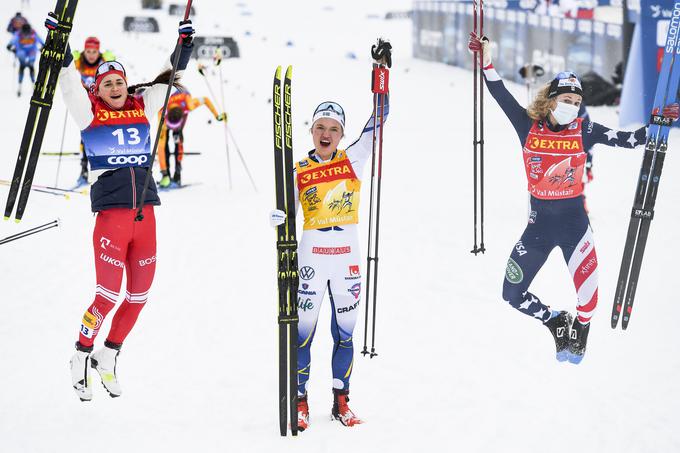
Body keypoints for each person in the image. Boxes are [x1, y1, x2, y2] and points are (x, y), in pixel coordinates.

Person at [468, 33, 678, 364]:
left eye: (577, 102)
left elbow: (630, 140)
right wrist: (487, 59)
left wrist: (659, 121)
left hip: (573, 225)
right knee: (511, 294)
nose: (573, 107)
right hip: (537, 229)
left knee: (589, 302)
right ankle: (554, 319)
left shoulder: (584, 130)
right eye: (567, 100)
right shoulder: (528, 125)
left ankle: (579, 327)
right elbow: (499, 93)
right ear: (551, 100)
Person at [56, 15, 195, 401]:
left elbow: (172, 77)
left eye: (118, 81)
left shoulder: (142, 103)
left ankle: (109, 355)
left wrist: (184, 46)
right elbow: (68, 82)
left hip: (145, 215)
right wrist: (62, 49)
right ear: (97, 89)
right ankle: (81, 354)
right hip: (112, 218)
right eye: (106, 83)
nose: (115, 87)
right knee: (106, 295)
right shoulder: (89, 114)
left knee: (138, 297)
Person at [270, 39, 391, 430]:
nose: (326, 134)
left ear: (341, 134)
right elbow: (286, 214)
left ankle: (342, 400)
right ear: (311, 130)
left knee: (344, 333)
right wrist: (278, 217)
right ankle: (301, 401)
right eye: (320, 127)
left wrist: (381, 73)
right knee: (303, 334)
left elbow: (381, 116)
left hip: (347, 256)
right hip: (311, 254)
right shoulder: (298, 169)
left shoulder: (354, 158)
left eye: (333, 129)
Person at [157, 90, 225, 188]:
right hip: (170, 109)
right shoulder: (161, 113)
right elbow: (160, 147)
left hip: (182, 103)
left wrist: (217, 116)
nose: (172, 128)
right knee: (164, 143)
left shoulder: (189, 104)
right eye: (171, 126)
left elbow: (206, 99)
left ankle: (177, 174)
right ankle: (166, 176)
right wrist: (164, 172)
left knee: (178, 140)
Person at [72, 36, 117, 186]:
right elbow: (67, 68)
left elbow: (116, 73)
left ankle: (106, 169)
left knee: (105, 134)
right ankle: (84, 169)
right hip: (86, 102)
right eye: (88, 51)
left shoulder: (103, 62)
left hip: (102, 102)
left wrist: (112, 60)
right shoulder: (79, 62)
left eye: (94, 51)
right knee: (85, 134)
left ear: (99, 52)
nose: (91, 55)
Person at [7, 23, 43, 97]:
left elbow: (40, 40)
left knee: (30, 66)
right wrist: (10, 46)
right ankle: (22, 86)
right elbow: (12, 41)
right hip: (22, 52)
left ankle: (33, 85)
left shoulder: (32, 33)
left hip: (31, 52)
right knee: (24, 66)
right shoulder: (19, 34)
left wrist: (43, 46)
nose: (26, 34)